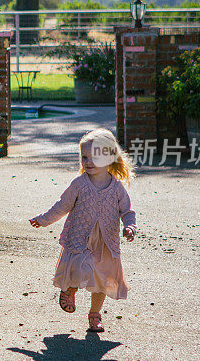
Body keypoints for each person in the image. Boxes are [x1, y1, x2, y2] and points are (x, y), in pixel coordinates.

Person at [29, 128, 136, 333]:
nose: (87, 162)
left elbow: (127, 211)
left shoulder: (117, 188)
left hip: (106, 241)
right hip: (80, 237)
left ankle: (94, 315)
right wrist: (43, 220)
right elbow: (62, 205)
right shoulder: (79, 184)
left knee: (103, 279)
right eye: (84, 157)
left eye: (94, 157)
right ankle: (70, 289)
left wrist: (130, 226)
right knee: (79, 267)